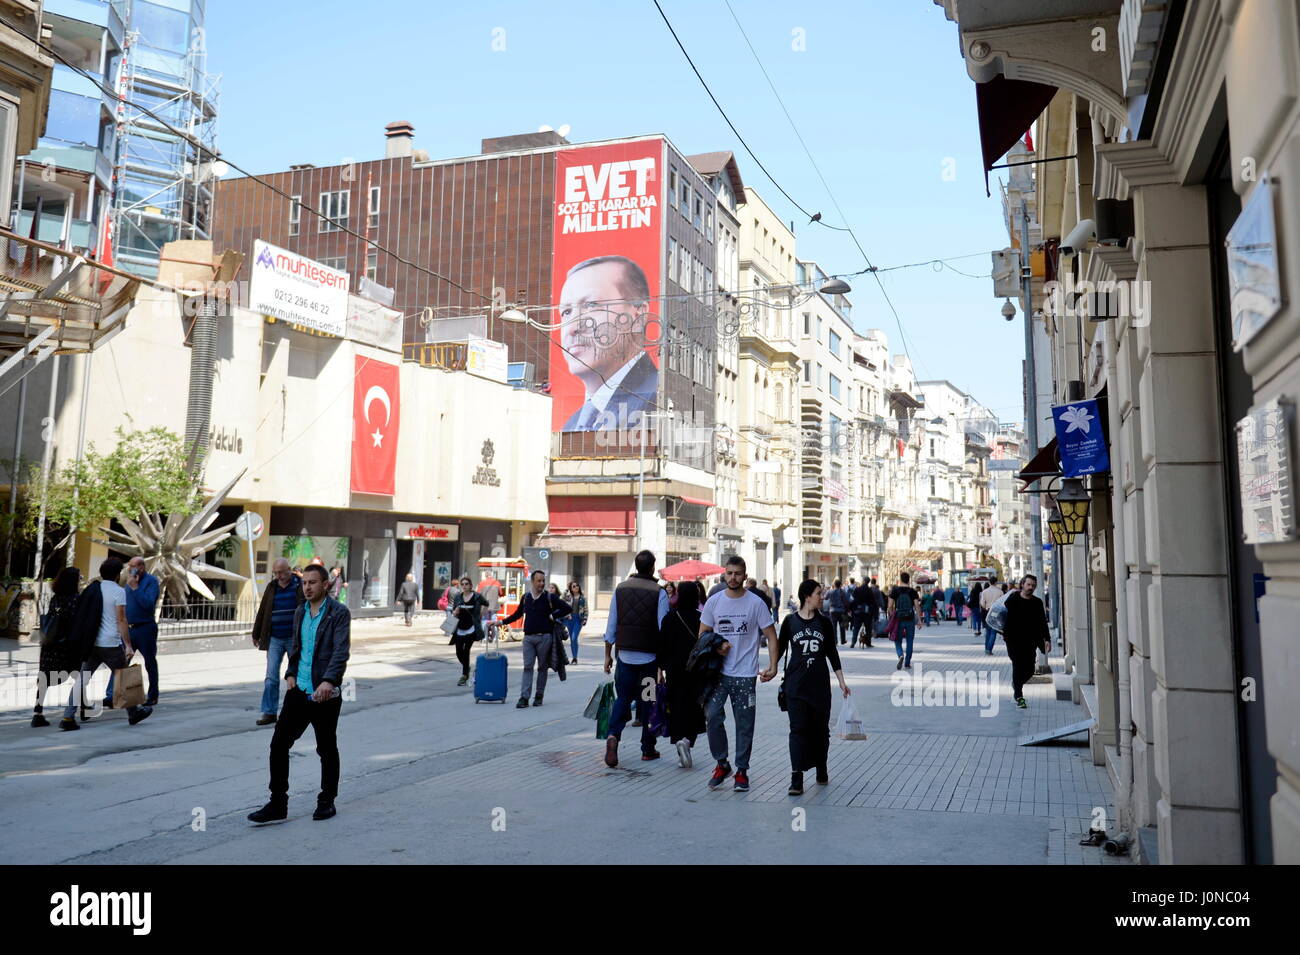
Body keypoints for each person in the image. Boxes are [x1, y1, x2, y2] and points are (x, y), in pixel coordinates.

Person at [249, 563, 351, 824]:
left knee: (326, 748)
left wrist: (329, 682)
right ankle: (277, 803)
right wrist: (290, 673)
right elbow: (296, 647)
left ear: (325, 585)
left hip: (324, 693)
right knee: (278, 744)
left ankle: (327, 800)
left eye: (313, 582)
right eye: (304, 582)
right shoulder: (299, 612)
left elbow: (340, 652)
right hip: (299, 690)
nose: (307, 587)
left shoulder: (338, 613)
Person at [699, 555, 780, 792]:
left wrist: (773, 666)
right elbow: (702, 634)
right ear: (724, 574)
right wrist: (716, 645)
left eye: (737, 573)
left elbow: (771, 636)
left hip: (745, 674)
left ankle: (742, 770)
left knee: (745, 724)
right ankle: (722, 763)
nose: (733, 578)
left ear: (745, 575)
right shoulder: (714, 602)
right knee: (712, 716)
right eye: (729, 573)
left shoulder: (756, 603)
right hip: (718, 674)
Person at [558, 255, 658, 432]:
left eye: (591, 305)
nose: (572, 327)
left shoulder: (656, 399)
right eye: (566, 312)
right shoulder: (571, 424)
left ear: (638, 314)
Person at [59, 557, 153, 731]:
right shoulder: (118, 591)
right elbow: (121, 619)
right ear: (117, 574)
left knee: (82, 679)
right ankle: (134, 713)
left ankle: (68, 716)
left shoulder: (93, 589)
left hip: (92, 643)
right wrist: (128, 644)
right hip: (110, 643)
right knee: (125, 676)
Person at [779, 580, 850, 795]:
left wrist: (841, 680)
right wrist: (771, 669)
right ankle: (796, 777)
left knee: (820, 731)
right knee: (797, 730)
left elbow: (832, 653)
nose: (823, 597)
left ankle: (821, 767)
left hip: (819, 686)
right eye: (819, 593)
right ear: (807, 596)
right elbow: (780, 648)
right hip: (796, 686)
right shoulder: (790, 622)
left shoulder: (825, 623)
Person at [603, 550, 670, 766]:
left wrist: (608, 655)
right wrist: (662, 663)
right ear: (652, 568)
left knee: (623, 698)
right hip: (649, 661)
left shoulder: (620, 589)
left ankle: (613, 735)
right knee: (649, 701)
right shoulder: (659, 592)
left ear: (635, 566)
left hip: (625, 657)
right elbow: (663, 628)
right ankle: (647, 748)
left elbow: (611, 625)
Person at [500, 570, 571, 707]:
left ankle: (539, 695)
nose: (542, 583)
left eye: (543, 581)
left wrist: (554, 615)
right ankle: (524, 698)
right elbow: (517, 614)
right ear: (532, 581)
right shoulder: (526, 597)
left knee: (542, 667)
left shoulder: (549, 597)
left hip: (545, 637)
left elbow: (567, 608)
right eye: (539, 581)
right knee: (527, 666)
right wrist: (501, 622)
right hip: (528, 638)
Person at [660, 580, 707, 768]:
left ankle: (679, 740)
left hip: (674, 671)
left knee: (677, 707)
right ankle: (688, 740)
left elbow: (662, 647)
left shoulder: (670, 618)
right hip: (696, 671)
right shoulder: (702, 618)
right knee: (695, 708)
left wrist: (660, 670)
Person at [251, 559, 303, 726]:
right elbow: (264, 610)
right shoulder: (272, 587)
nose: (279, 576)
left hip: (294, 638)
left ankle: (295, 711)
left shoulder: (299, 585)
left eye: (281, 572)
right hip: (275, 637)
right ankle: (269, 712)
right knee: (271, 677)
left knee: (295, 676)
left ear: (289, 570)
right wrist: (256, 632)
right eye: (276, 573)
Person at [104, 556, 161, 708]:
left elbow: (148, 605)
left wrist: (135, 588)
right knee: (121, 661)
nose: (130, 569)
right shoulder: (128, 582)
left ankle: (153, 694)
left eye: (134, 566)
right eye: (129, 566)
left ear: (142, 567)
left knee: (150, 661)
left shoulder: (151, 582)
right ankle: (112, 695)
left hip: (145, 627)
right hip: (129, 628)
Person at [32, 568, 81, 727]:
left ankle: (37, 713)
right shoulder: (75, 599)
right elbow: (74, 621)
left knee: (44, 677)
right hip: (65, 644)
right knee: (78, 674)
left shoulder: (55, 598)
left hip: (50, 644)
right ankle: (86, 706)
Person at [1002, 574, 1050, 708]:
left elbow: (1042, 623)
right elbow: (1003, 608)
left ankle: (1016, 684)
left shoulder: (1037, 602)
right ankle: (1019, 695)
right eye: (1028, 584)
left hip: (1030, 641)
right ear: (1022, 584)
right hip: (1013, 640)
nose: (1031, 587)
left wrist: (1047, 639)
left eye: (1033, 585)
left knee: (1029, 669)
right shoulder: (1013, 598)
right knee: (1017, 665)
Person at [449, 576, 489, 685]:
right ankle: (467, 667)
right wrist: (455, 611)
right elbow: (454, 610)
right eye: (462, 584)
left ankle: (464, 675)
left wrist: (481, 614)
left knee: (466, 650)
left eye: (467, 584)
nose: (464, 586)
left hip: (472, 628)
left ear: (471, 585)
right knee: (458, 652)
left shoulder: (477, 596)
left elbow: (486, 603)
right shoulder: (458, 597)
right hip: (460, 628)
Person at [889, 571, 921, 671]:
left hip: (899, 618)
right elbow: (917, 606)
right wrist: (919, 620)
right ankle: (907, 663)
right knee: (910, 640)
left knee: (897, 640)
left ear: (900, 579)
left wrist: (891, 616)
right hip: (910, 618)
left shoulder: (895, 591)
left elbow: (890, 606)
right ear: (909, 580)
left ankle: (900, 655)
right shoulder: (913, 591)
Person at [564, 580, 588, 663]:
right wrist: (566, 590)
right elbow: (561, 599)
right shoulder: (568, 597)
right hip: (569, 619)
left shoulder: (582, 598)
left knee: (574, 638)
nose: (576, 587)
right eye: (574, 586)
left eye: (577, 585)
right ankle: (574, 658)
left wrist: (585, 619)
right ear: (571, 588)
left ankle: (575, 657)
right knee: (571, 639)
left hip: (578, 619)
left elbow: (586, 609)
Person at [980, 576, 1003, 654]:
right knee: (993, 631)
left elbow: (982, 603)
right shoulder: (1000, 592)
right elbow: (1002, 603)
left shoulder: (985, 591)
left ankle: (987, 648)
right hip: (996, 612)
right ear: (996, 582)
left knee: (988, 631)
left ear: (989, 582)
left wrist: (986, 607)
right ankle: (989, 649)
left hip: (988, 611)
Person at [850, 577, 876, 648]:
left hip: (857, 611)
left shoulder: (857, 589)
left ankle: (853, 642)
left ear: (863, 581)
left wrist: (851, 609)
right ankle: (868, 643)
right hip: (867, 612)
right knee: (868, 628)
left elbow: (852, 600)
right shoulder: (869, 590)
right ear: (868, 582)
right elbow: (873, 602)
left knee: (856, 628)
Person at [824, 578, 848, 645]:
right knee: (842, 626)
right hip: (841, 611)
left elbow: (825, 597)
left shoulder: (830, 591)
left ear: (834, 585)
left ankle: (835, 641)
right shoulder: (842, 592)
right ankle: (843, 640)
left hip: (832, 610)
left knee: (834, 627)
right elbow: (846, 601)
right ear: (840, 585)